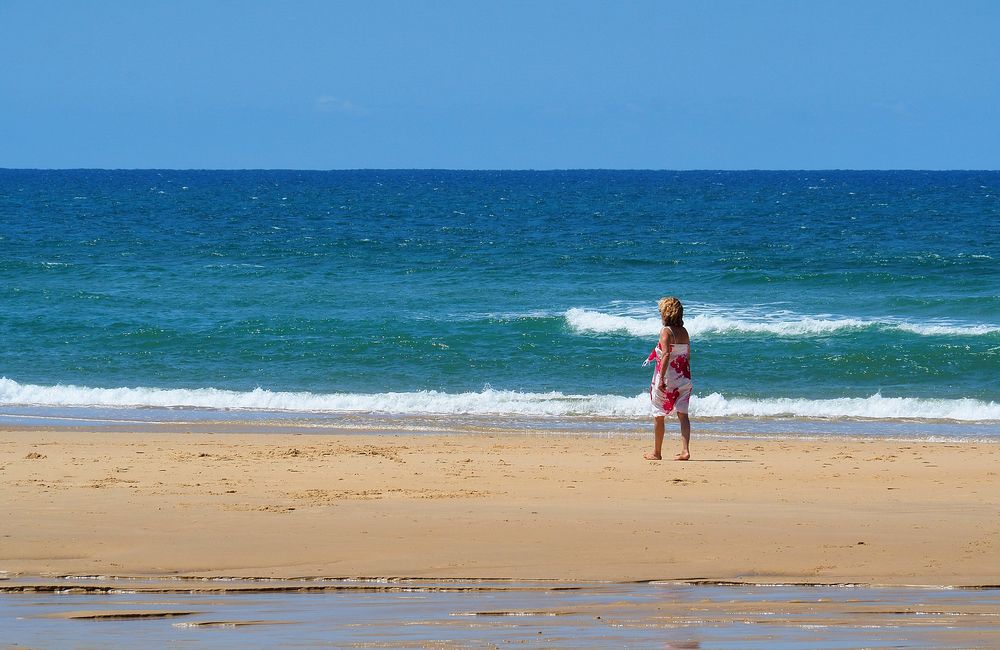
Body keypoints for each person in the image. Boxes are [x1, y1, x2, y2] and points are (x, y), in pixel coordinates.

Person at [643, 296, 693, 461]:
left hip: (669, 379)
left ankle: (657, 452)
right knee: (683, 415)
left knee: (658, 415)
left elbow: (665, 355)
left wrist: (662, 378)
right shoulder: (684, 332)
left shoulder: (666, 332)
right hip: (684, 378)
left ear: (666, 313)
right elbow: (687, 355)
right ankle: (685, 450)